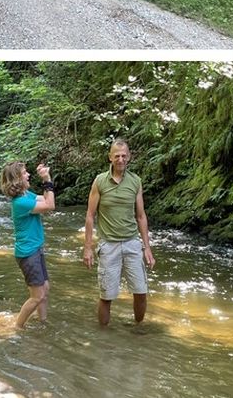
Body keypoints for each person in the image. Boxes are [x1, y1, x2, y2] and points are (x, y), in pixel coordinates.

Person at [83, 139, 156, 326]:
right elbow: (90, 215)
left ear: (129, 157)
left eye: (124, 156)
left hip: (132, 243)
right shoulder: (100, 181)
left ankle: (138, 330)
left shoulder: (135, 181)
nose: (121, 159)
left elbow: (141, 216)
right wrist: (88, 248)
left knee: (141, 292)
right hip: (109, 245)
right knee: (107, 296)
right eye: (117, 156)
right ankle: (103, 335)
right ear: (110, 158)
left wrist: (147, 248)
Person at [0, 161, 55, 329]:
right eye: (24, 173)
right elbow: (50, 205)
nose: (28, 175)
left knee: (45, 289)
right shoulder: (20, 203)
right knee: (37, 296)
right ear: (16, 179)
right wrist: (46, 179)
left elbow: (45, 198)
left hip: (35, 250)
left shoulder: (25, 195)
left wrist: (46, 179)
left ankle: (42, 323)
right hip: (28, 254)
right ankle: (18, 327)